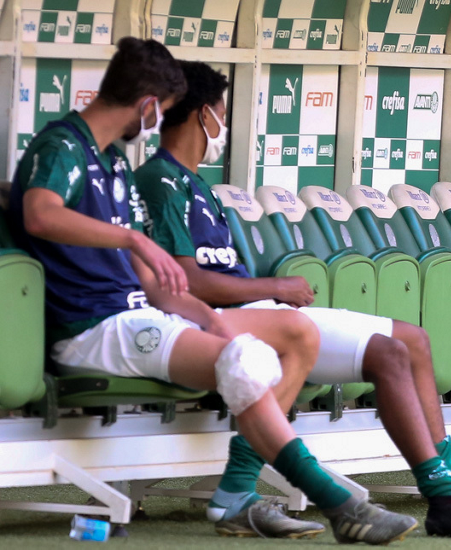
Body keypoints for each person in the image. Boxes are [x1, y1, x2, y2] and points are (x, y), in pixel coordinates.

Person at [9, 38, 418, 544]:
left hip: (140, 315)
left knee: (295, 334)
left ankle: (236, 494)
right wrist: (134, 238)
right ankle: (341, 505)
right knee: (244, 359)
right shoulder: (61, 145)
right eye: (162, 110)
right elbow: (40, 214)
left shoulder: (113, 160)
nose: (159, 122)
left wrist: (205, 316)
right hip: (92, 328)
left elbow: (150, 284)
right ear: (147, 105)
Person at [134, 60, 451, 538]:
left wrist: (270, 294)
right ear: (202, 114)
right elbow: (188, 282)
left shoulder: (196, 181)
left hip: (257, 313)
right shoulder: (159, 179)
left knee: (414, 340)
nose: (224, 125)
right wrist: (274, 287)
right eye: (222, 113)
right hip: (217, 323)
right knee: (389, 354)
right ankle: (443, 498)